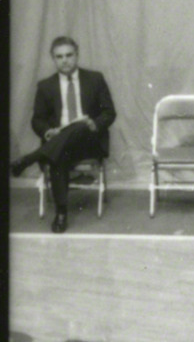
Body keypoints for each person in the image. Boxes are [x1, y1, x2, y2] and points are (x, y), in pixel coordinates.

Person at [11, 36, 116, 233]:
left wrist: (94, 123)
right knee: (58, 154)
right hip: (59, 144)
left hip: (89, 140)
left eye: (69, 55)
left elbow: (109, 112)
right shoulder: (45, 85)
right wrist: (47, 131)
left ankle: (31, 158)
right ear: (53, 59)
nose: (65, 60)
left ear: (77, 55)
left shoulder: (95, 79)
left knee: (80, 125)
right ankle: (61, 214)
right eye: (59, 57)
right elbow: (37, 120)